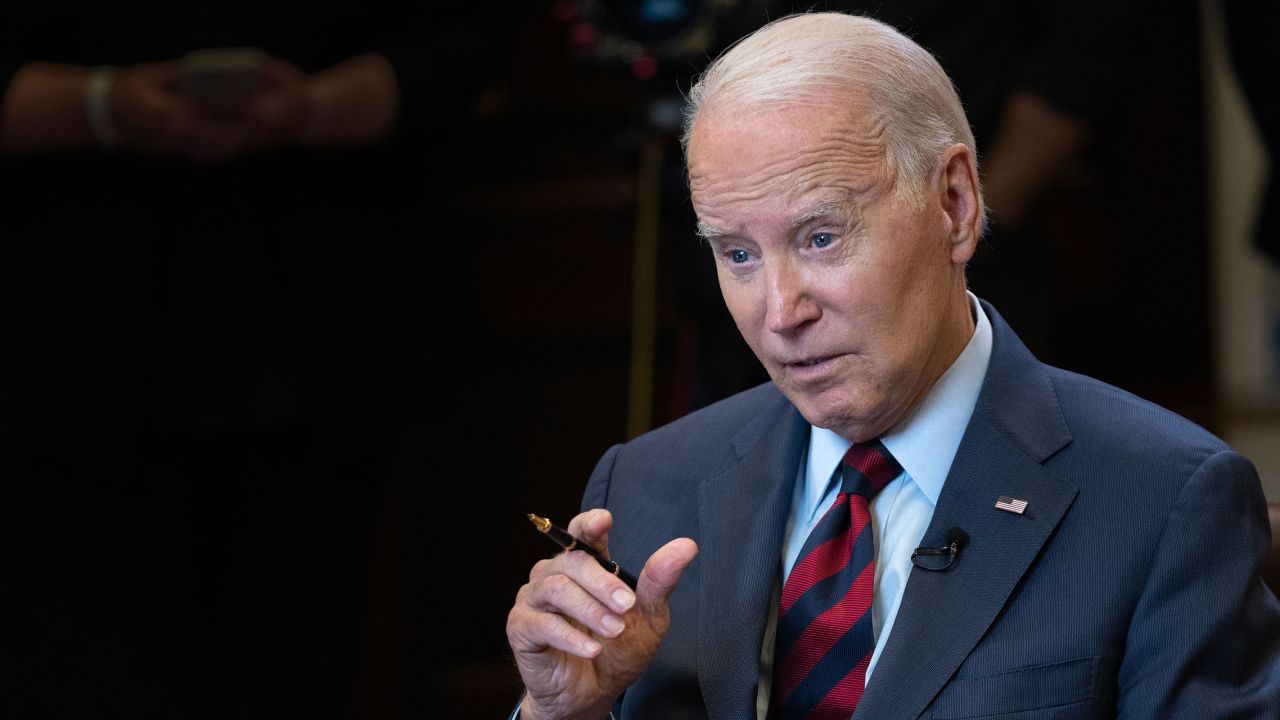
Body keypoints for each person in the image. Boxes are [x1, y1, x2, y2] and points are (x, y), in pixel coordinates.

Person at [505, 12, 1280, 720]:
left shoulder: (1165, 501)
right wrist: (556, 715)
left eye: (821, 238)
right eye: (738, 253)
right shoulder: (644, 489)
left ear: (955, 204)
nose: (781, 312)